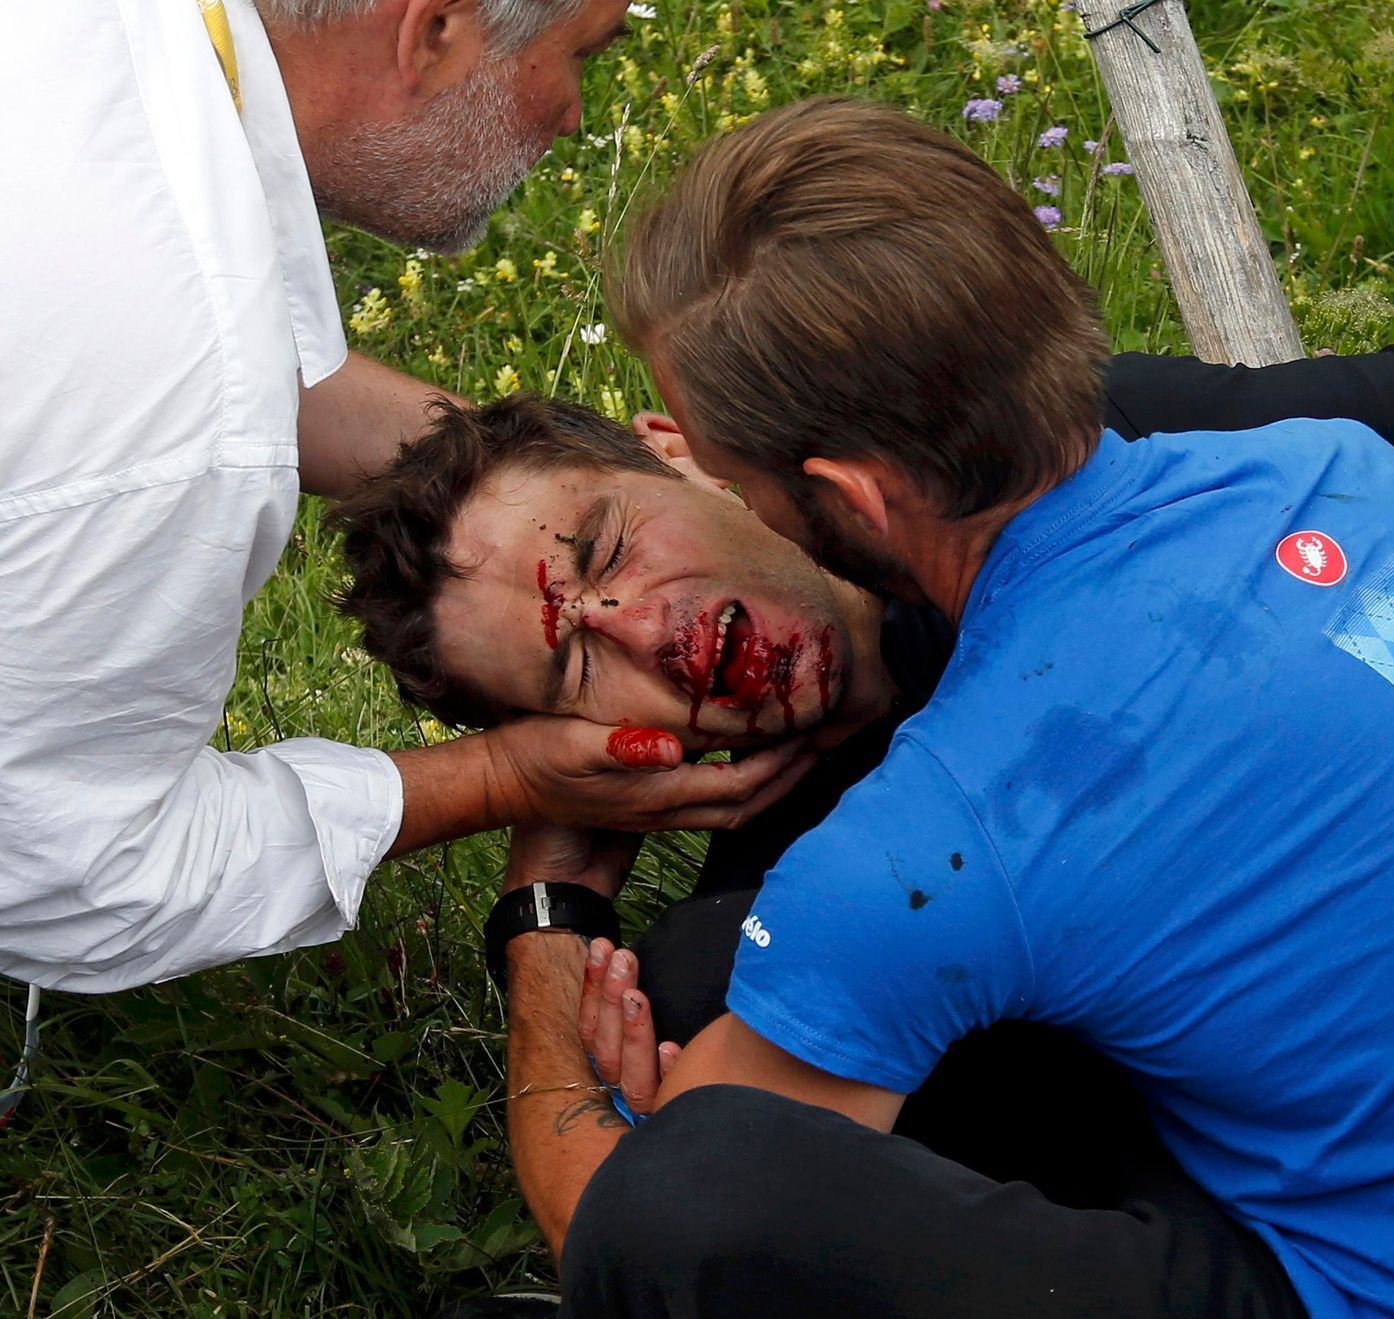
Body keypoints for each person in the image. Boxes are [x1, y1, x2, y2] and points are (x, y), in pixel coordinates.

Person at [424, 96, 1394, 1319]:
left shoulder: (932, 836)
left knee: (690, 1191)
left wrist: (551, 930)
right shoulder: (1341, 469)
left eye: (719, 471)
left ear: (849, 498)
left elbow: (628, 1212)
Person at [0, 0, 805, 993]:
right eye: (578, 56)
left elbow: (242, 383)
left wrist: (602, 483)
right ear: (432, 30)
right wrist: (505, 776)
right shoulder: (177, 403)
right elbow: (70, 872)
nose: (574, 118)